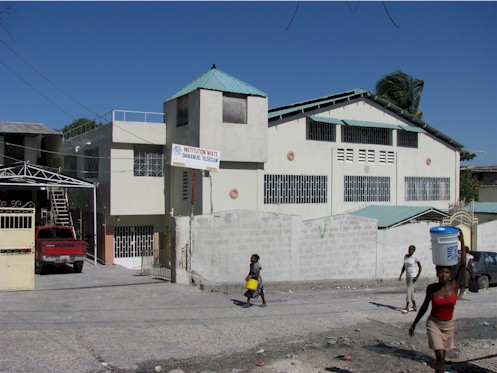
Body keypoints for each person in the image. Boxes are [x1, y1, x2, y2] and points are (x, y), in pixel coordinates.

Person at [408, 229, 467, 373]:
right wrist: (414, 324)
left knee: (442, 357)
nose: (443, 275)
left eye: (446, 272)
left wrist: (462, 240)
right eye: (441, 272)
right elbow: (423, 307)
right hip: (434, 323)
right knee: (440, 356)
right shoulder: (432, 288)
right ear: (437, 274)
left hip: (448, 325)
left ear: (450, 273)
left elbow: (463, 265)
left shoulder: (454, 285)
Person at [398, 245, 422, 313]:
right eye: (409, 249)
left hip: (413, 276)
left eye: (412, 249)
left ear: (414, 251)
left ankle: (406, 306)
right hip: (407, 276)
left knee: (408, 289)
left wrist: (417, 276)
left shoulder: (415, 257)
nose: (410, 250)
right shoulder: (405, 256)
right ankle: (414, 306)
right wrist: (400, 275)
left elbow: (420, 267)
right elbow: (404, 267)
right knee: (411, 291)